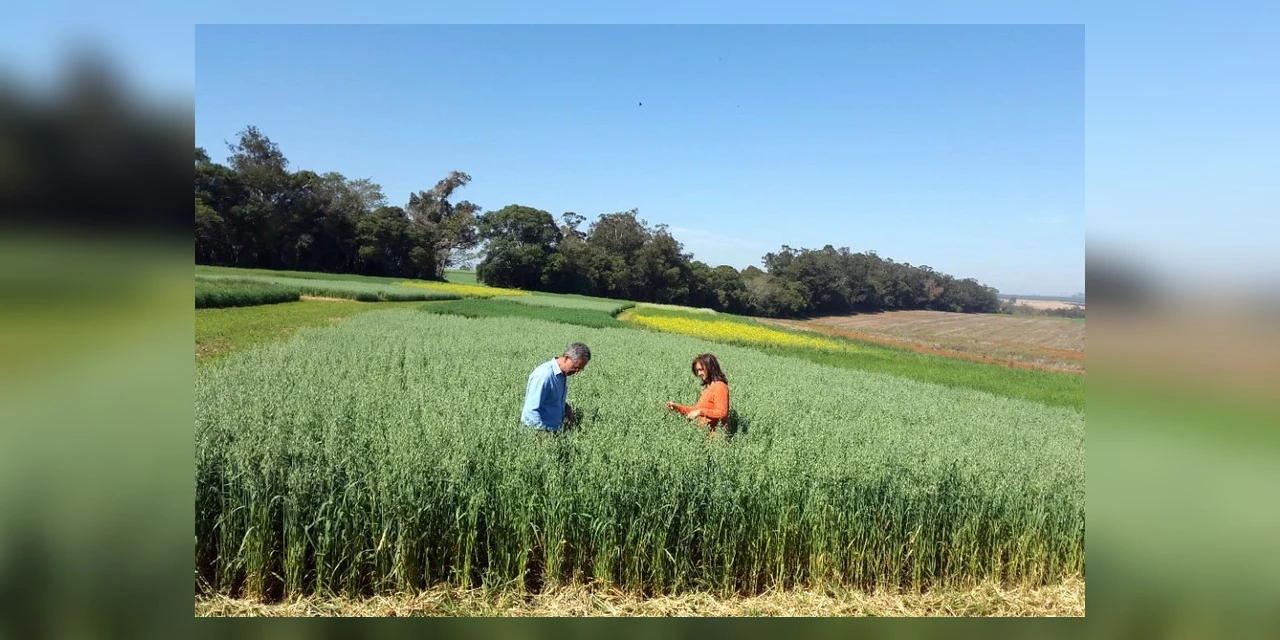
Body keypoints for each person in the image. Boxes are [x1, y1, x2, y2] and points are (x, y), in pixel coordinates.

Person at [521, 342, 591, 433]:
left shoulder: (561, 374)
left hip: (554, 432)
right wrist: (542, 434)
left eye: (580, 369)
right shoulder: (544, 375)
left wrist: (566, 407)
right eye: (575, 367)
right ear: (566, 358)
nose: (576, 372)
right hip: (538, 434)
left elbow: (549, 399)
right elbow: (530, 411)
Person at [665, 353, 730, 432]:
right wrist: (677, 408)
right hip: (704, 435)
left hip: (715, 438)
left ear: (710, 368)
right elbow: (696, 409)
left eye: (701, 369)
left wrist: (700, 412)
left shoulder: (719, 386)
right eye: (697, 371)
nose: (699, 374)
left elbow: (722, 412)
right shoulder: (708, 388)